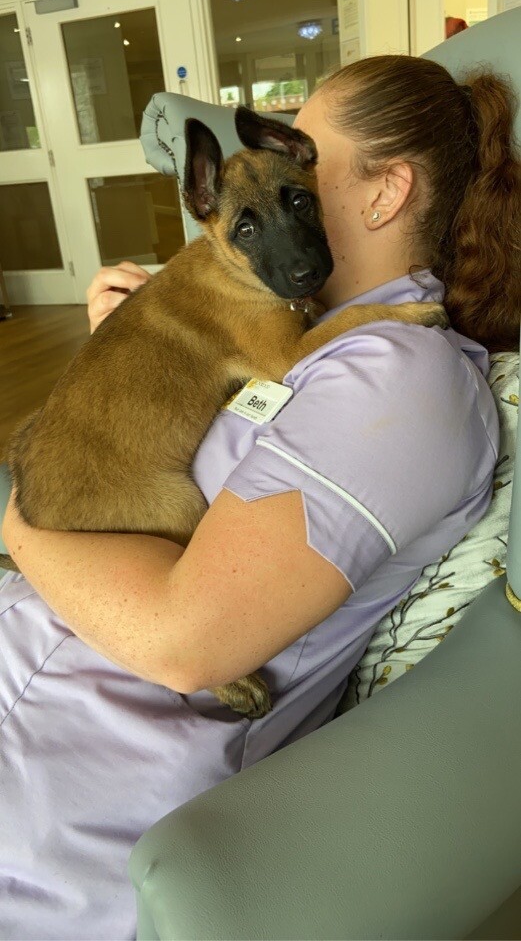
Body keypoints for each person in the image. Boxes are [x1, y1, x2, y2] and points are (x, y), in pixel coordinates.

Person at [1, 55, 520, 940]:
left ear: (385, 192)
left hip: (75, 772)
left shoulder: (397, 378)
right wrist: (127, 357)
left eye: (303, 158)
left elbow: (183, 645)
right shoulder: (309, 333)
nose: (278, 168)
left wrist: (18, 518)